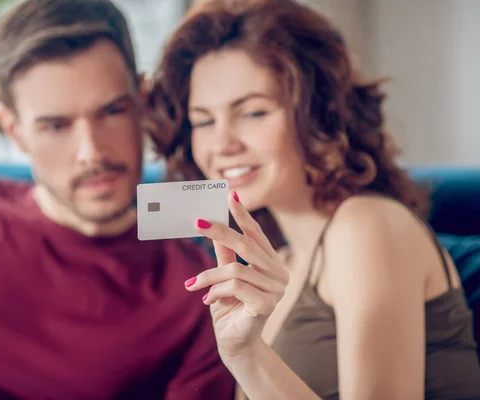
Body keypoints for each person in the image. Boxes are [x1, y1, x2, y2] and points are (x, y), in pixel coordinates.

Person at [0, 0, 235, 398]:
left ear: (142, 102)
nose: (92, 152)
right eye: (56, 125)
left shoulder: (196, 289)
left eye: (112, 111)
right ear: (13, 130)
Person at [147, 0, 480, 398]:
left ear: (318, 114)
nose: (221, 144)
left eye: (253, 112)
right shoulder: (277, 263)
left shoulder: (366, 225)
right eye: (203, 121)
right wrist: (243, 351)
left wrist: (249, 356)